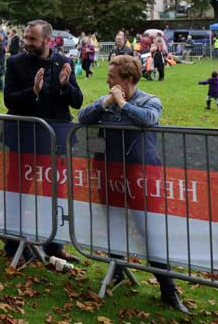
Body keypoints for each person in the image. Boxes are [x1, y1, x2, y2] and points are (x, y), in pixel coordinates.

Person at [77, 56, 189, 313]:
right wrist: (106, 103)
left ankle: (167, 288)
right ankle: (118, 269)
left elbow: (148, 119)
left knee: (148, 231)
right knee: (113, 224)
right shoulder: (106, 101)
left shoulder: (150, 100)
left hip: (139, 177)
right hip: (109, 175)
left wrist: (123, 104)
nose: (107, 80)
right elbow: (83, 117)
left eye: (112, 77)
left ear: (128, 80)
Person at [3, 19, 83, 265]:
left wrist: (65, 85)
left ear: (48, 40)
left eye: (32, 39)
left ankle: (54, 243)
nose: (27, 42)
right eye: (26, 38)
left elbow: (77, 101)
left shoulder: (64, 62)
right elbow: (10, 100)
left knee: (55, 194)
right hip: (24, 139)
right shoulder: (15, 63)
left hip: (55, 142)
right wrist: (33, 92)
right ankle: (14, 243)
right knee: (17, 192)